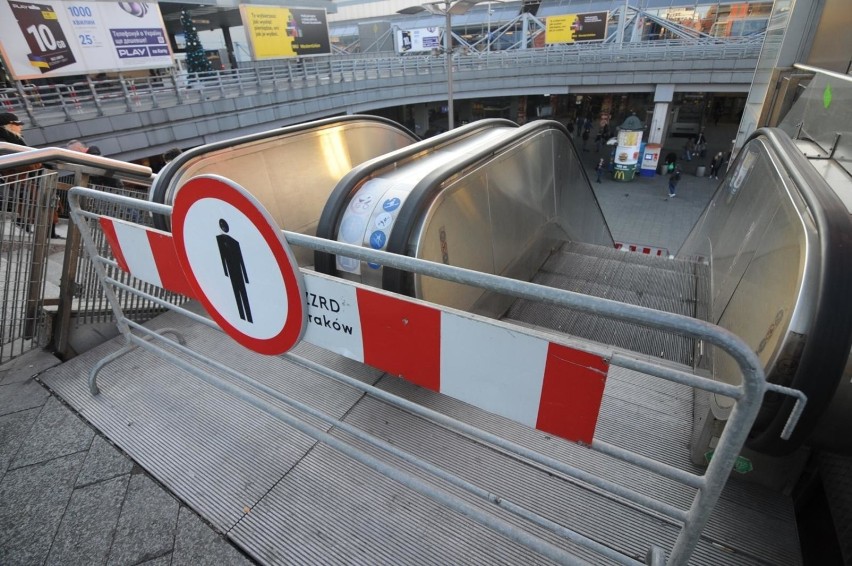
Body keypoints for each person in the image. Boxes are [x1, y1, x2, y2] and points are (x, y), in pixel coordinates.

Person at [0, 112, 50, 235]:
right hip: (12, 175)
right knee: (34, 194)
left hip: (20, 176)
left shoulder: (14, 139)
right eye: (17, 124)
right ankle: (24, 221)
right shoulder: (5, 140)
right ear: (8, 125)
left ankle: (25, 221)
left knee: (36, 194)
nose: (20, 126)